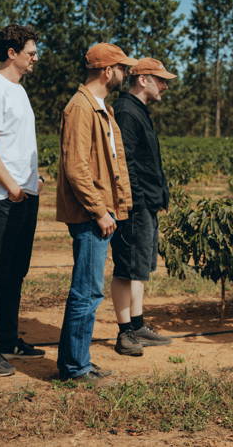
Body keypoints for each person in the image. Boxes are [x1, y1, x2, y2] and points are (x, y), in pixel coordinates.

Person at [56, 43, 136, 383]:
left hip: (102, 212)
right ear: (107, 71)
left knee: (90, 290)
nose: (125, 74)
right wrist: (100, 210)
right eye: (122, 69)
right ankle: (74, 367)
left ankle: (79, 362)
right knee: (86, 291)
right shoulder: (80, 108)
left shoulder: (101, 108)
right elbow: (76, 168)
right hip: (92, 215)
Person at [0, 24, 44, 376]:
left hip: (25, 193)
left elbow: (17, 143)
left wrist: (32, 180)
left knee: (16, 271)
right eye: (30, 52)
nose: (35, 58)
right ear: (11, 53)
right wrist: (13, 186)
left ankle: (9, 339)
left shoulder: (19, 91)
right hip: (2, 196)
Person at [110, 58, 176, 356]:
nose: (165, 85)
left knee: (139, 268)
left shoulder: (138, 111)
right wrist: (135, 202)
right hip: (135, 206)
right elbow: (127, 164)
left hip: (146, 203)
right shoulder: (126, 111)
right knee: (126, 268)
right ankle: (125, 333)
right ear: (143, 80)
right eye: (160, 79)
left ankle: (137, 325)